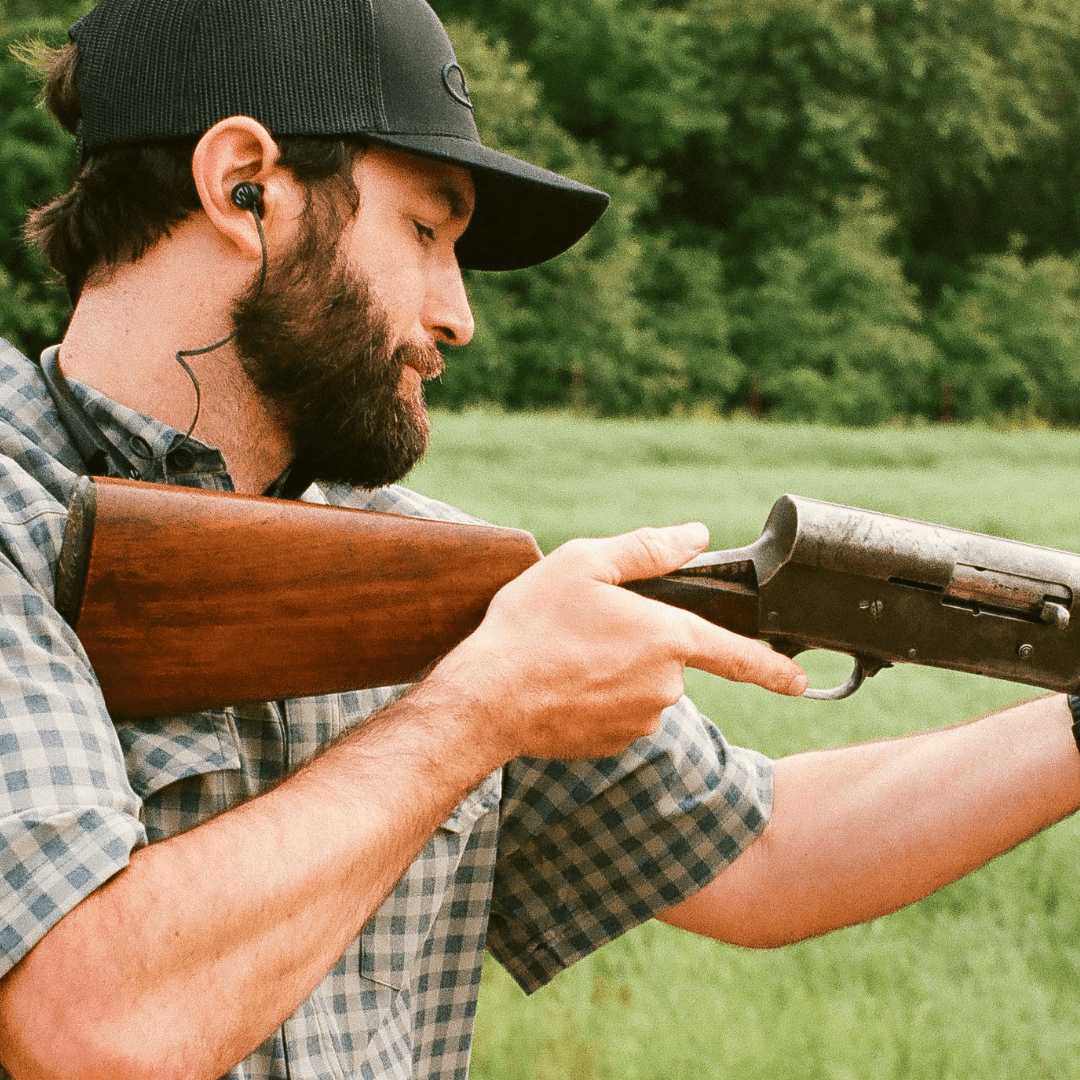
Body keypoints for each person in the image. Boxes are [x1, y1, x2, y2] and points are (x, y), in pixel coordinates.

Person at [0, 0, 1076, 1077]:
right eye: (424, 231)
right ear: (246, 184)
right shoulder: (19, 531)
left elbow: (768, 852)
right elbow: (88, 1030)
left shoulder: (422, 572)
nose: (459, 314)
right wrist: (472, 716)